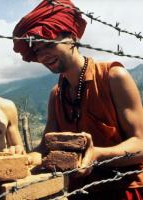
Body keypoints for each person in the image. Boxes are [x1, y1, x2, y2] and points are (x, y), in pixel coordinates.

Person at [12, 0, 143, 199]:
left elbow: (141, 144)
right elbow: (45, 146)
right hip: (78, 193)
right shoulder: (56, 94)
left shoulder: (113, 77)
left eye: (48, 44)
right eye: (37, 50)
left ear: (72, 37)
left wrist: (98, 155)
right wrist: (27, 158)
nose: (43, 55)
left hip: (125, 190)